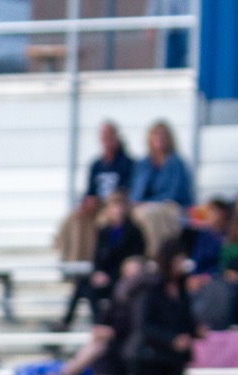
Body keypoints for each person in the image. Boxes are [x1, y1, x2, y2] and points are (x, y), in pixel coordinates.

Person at [56, 121, 136, 263]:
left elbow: (127, 190)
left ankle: (99, 261)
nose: (107, 141)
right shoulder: (96, 165)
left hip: (114, 206)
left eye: (110, 136)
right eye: (104, 137)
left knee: (103, 222)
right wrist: (86, 202)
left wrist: (104, 201)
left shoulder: (127, 163)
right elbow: (90, 191)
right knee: (74, 219)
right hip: (96, 206)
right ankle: (74, 261)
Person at [128, 240, 196, 375]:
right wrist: (171, 339)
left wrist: (195, 330)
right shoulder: (151, 287)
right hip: (149, 355)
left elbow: (183, 318)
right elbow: (144, 324)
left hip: (172, 358)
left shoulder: (181, 288)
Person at [64, 189, 144, 329]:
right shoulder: (104, 231)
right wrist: (98, 272)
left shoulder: (133, 231)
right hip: (105, 276)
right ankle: (76, 322)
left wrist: (109, 275)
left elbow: (132, 260)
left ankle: (99, 324)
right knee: (83, 286)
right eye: (113, 207)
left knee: (92, 290)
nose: (117, 210)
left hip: (121, 278)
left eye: (119, 206)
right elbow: (97, 257)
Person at [128, 120, 193, 253]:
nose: (160, 138)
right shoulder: (143, 164)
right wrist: (136, 202)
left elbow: (176, 192)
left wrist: (148, 202)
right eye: (156, 135)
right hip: (144, 206)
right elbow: (136, 190)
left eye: (163, 135)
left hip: (171, 205)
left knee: (149, 215)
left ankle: (155, 255)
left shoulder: (176, 163)